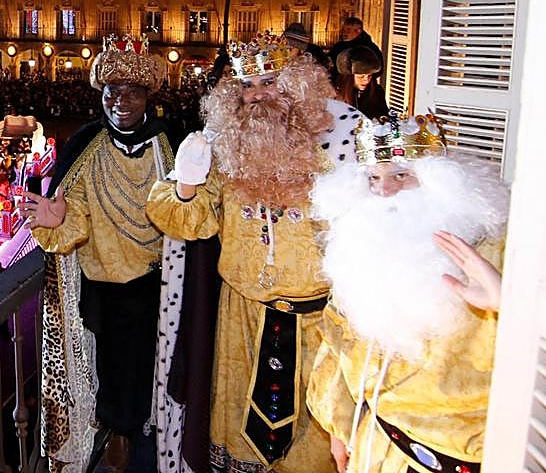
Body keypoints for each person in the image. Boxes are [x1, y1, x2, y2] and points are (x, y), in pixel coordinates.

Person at [147, 31, 346, 473]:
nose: (256, 96)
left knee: (312, 448)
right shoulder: (223, 153)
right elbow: (184, 221)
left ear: (294, 86)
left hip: (316, 326)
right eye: (246, 86)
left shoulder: (334, 152)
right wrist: (185, 185)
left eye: (268, 82)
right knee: (239, 437)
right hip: (242, 320)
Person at [306, 114, 507, 473]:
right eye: (373, 178)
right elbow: (339, 340)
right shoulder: (363, 246)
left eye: (401, 176)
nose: (384, 191)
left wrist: (509, 307)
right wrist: (339, 427)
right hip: (376, 445)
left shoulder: (492, 251)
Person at [22, 34, 184, 473]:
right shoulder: (85, 145)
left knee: (150, 359)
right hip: (101, 284)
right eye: (113, 92)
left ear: (147, 96)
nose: (121, 102)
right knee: (107, 360)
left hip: (157, 282)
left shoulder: (171, 144)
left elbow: (191, 211)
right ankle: (117, 429)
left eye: (131, 92)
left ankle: (139, 430)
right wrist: (57, 220)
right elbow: (76, 217)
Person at [334, 47, 389, 120]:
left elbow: (384, 116)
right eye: (361, 76)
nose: (366, 80)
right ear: (348, 77)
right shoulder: (335, 94)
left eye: (369, 75)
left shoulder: (377, 92)